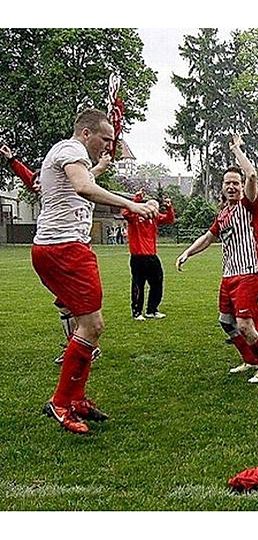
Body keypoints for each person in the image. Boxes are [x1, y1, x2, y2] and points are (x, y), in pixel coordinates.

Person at [32, 109, 159, 434]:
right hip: (63, 249)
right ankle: (62, 402)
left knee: (91, 325)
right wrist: (132, 204)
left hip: (62, 248)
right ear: (86, 133)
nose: (108, 146)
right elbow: (82, 188)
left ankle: (75, 398)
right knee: (92, 325)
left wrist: (100, 170)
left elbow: (82, 181)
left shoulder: (70, 154)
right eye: (105, 139)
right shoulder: (71, 150)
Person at [176, 134, 258, 384]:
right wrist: (188, 252)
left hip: (249, 271)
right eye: (227, 183)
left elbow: (252, 175)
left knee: (243, 324)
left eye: (235, 183)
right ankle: (249, 359)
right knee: (226, 322)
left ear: (241, 186)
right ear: (222, 187)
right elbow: (208, 238)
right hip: (228, 274)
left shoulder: (248, 205)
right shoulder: (223, 213)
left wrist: (237, 150)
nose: (231, 186)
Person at [4, 143, 112, 365]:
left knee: (85, 315)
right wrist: (12, 160)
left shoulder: (70, 181)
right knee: (67, 306)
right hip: (59, 246)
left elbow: (84, 181)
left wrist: (101, 166)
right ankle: (79, 344)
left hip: (69, 247)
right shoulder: (56, 187)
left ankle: (84, 345)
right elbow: (82, 180)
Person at [123, 189, 175, 321]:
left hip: (152, 256)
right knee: (138, 284)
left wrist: (169, 207)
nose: (155, 211)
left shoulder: (154, 219)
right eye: (153, 208)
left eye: (157, 209)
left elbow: (169, 220)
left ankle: (152, 310)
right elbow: (125, 212)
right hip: (138, 256)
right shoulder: (135, 217)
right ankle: (137, 312)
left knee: (157, 282)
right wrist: (137, 198)